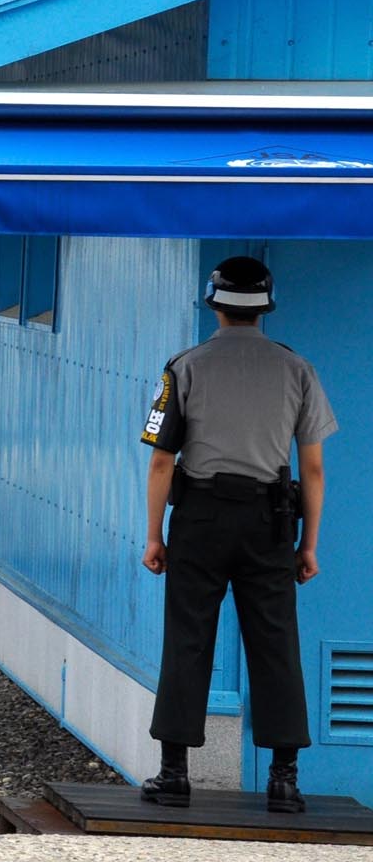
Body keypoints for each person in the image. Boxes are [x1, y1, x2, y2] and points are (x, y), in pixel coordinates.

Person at [137, 256, 332, 815]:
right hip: (270, 521)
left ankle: (174, 773)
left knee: (188, 638)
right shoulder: (298, 370)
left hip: (198, 518)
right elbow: (312, 469)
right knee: (275, 642)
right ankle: (284, 779)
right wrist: (307, 544)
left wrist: (155, 536)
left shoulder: (184, 367)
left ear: (214, 303)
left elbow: (161, 462)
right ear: (266, 307)